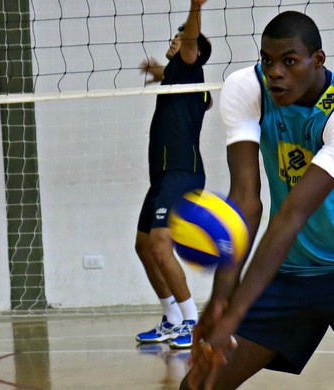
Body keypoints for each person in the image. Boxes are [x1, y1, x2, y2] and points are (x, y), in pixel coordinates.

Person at [182, 10, 334, 389]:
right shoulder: (247, 88)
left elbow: (291, 216)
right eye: (267, 60)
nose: (274, 72)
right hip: (290, 274)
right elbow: (245, 202)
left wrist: (230, 321)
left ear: (318, 60)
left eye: (289, 61)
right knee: (200, 383)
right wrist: (219, 303)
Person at [135, 0, 213, 350]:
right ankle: (172, 319)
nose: (175, 41)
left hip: (182, 173)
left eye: (180, 39)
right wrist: (159, 73)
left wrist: (194, 8)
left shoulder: (190, 70)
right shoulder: (176, 78)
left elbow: (193, 40)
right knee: (143, 246)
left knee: (160, 244)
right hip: (162, 177)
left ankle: (191, 321)